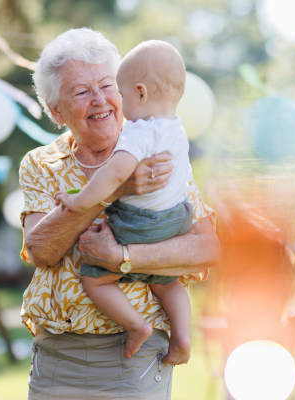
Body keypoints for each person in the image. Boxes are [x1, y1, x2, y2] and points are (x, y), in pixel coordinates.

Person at [20, 28, 219, 400]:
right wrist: (117, 192)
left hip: (135, 360)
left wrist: (124, 258)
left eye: (107, 85)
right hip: (56, 357)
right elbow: (42, 250)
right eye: (81, 91)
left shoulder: (153, 145)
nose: (100, 100)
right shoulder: (41, 164)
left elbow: (207, 247)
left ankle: (173, 335)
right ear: (55, 111)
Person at [53, 40, 193, 363]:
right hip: (178, 217)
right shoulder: (176, 128)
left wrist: (80, 201)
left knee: (93, 277)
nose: (114, 99)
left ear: (140, 94)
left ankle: (136, 325)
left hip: (143, 222)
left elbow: (115, 175)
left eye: (117, 90)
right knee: (167, 281)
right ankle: (183, 336)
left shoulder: (138, 131)